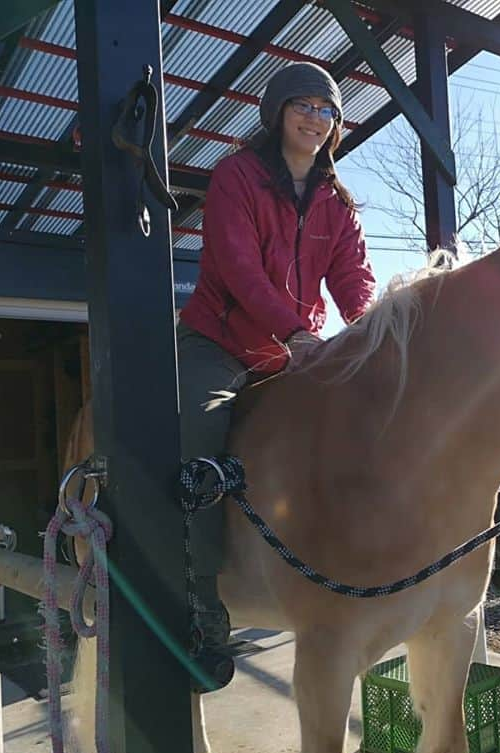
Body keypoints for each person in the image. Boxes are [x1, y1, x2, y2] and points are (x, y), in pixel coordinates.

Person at [177, 62, 376, 678]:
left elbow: (353, 278)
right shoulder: (235, 176)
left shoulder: (337, 203)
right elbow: (236, 266)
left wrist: (370, 334)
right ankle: (197, 596)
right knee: (196, 445)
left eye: (327, 109)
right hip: (219, 342)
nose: (316, 118)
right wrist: (294, 331)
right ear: (277, 111)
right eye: (305, 105)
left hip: (293, 351)